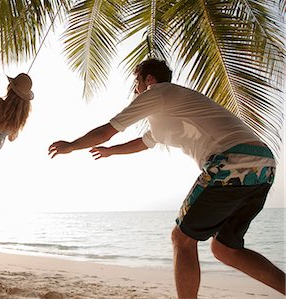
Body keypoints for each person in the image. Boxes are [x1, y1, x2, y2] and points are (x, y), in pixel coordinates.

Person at [48, 58, 285, 298]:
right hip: (264, 166)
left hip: (232, 162)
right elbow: (144, 142)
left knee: (181, 239)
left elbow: (105, 131)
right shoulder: (171, 109)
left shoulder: (157, 92)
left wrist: (71, 145)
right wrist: (111, 152)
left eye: (136, 83)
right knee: (225, 249)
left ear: (149, 80)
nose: (135, 90)